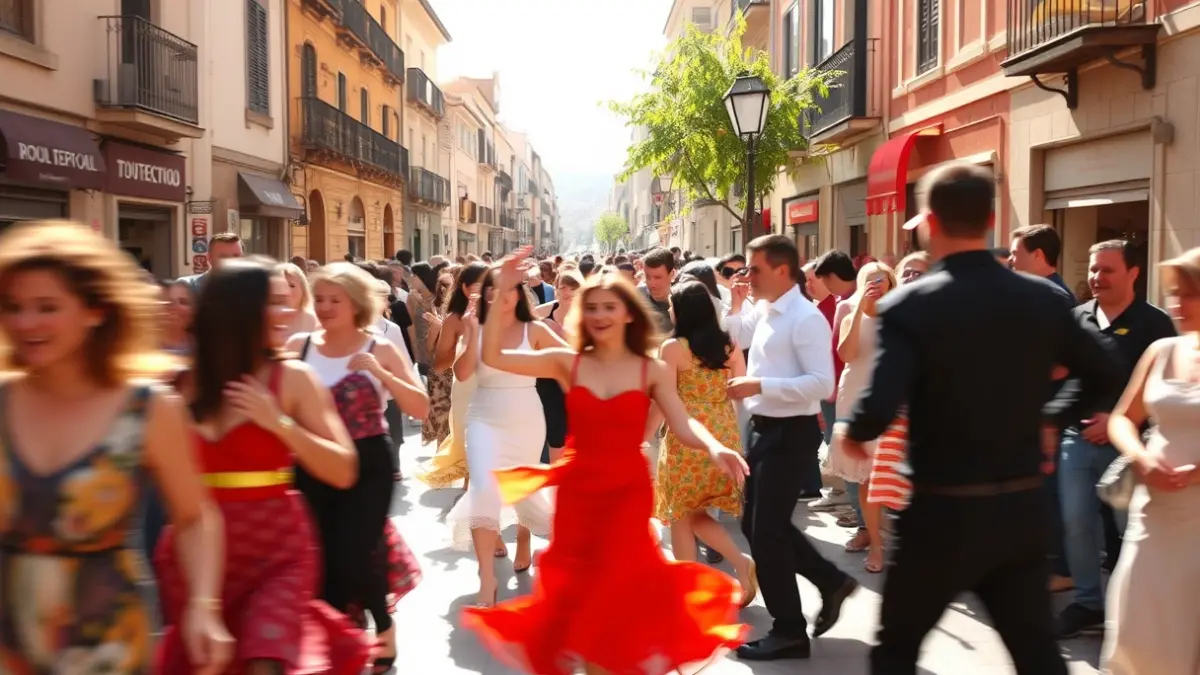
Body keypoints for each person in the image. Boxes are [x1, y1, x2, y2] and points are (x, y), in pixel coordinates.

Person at [835, 163, 1120, 674]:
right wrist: (1053, 417)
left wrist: (852, 433)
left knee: (896, 651)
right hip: (1019, 508)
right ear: (990, 218)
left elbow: (878, 406)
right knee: (1036, 654)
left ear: (929, 223)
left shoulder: (909, 305)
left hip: (941, 514)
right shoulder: (1041, 299)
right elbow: (1104, 372)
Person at [460, 249, 749, 674]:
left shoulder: (651, 368)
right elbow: (496, 359)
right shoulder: (566, 362)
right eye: (591, 307)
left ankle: (607, 662)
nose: (599, 314)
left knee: (619, 588)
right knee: (581, 591)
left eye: (609, 306)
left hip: (628, 491)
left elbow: (682, 420)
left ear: (629, 313)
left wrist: (714, 447)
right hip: (580, 493)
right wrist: (502, 285)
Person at [0, 221, 231, 674]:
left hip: (106, 645)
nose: (26, 323)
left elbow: (194, 516)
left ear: (96, 310)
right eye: (13, 306)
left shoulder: (145, 408)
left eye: (47, 307)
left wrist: (203, 605)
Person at [155, 258, 370, 675]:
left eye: (287, 300)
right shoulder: (175, 386)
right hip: (191, 554)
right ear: (238, 310)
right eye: (274, 302)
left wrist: (279, 423)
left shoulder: (294, 379)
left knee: (266, 660)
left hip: (277, 551)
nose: (289, 310)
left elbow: (344, 470)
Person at [287, 263, 430, 671]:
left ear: (357, 304)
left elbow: (419, 406)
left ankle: (382, 625)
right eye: (322, 298)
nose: (327, 306)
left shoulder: (379, 345)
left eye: (337, 299)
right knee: (321, 559)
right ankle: (339, 643)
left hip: (368, 462)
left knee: (354, 552)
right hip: (313, 461)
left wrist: (381, 372)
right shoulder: (299, 346)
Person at [725, 235, 857, 661]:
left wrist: (759, 384)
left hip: (790, 433)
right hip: (765, 431)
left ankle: (789, 630)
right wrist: (735, 301)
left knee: (766, 531)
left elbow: (822, 384)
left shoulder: (805, 317)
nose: (748, 275)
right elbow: (738, 332)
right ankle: (830, 580)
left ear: (783, 270)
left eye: (755, 269)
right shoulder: (767, 308)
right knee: (757, 528)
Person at [1102, 246, 1200, 675]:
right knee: (1142, 629)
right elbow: (1123, 418)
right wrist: (1139, 456)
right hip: (1154, 515)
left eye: (1191, 294)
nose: (1177, 305)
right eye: (1175, 293)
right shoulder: (1160, 350)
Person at [446, 268, 563, 604]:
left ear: (519, 293)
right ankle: (486, 578)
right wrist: (469, 335)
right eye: (491, 291)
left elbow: (570, 363)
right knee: (483, 489)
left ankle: (524, 539)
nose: (499, 296)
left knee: (522, 484)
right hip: (483, 414)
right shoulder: (477, 328)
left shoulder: (535, 329)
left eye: (507, 289)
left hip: (525, 416)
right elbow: (463, 372)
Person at [652, 280, 755, 592]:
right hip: (723, 431)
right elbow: (742, 388)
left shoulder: (672, 348)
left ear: (682, 311)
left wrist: (644, 434)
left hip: (688, 435)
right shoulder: (730, 346)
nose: (669, 310)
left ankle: (706, 579)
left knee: (684, 512)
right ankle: (728, 568)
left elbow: (664, 397)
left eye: (672, 305)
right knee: (694, 513)